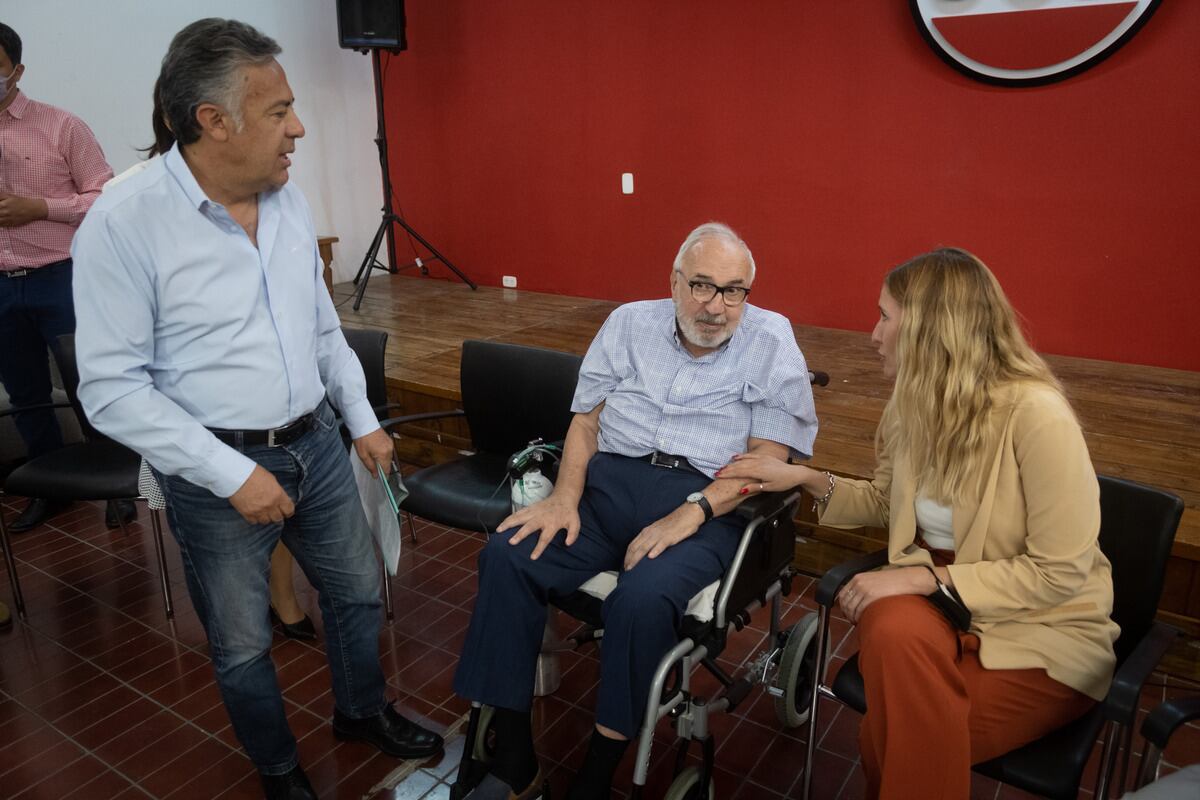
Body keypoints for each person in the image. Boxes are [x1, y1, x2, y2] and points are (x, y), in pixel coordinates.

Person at [71, 18, 442, 800]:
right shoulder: (123, 221)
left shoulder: (285, 197)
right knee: (242, 644)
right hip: (216, 471)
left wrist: (363, 417)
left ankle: (361, 711)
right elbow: (109, 387)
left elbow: (319, 325)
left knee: (356, 595)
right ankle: (277, 767)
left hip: (316, 440)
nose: (298, 128)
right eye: (279, 111)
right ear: (213, 121)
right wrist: (231, 473)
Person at [718, 247, 1118, 799]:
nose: (872, 334)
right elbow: (888, 503)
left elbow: (1060, 572)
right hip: (942, 605)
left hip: (1039, 627)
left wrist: (923, 578)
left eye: (884, 316)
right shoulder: (911, 405)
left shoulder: (1037, 415)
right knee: (891, 624)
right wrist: (803, 478)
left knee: (890, 738)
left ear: (933, 328)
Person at [453, 222, 818, 799]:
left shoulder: (773, 340)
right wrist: (564, 496)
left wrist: (692, 511)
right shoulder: (628, 323)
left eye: (733, 291)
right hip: (608, 490)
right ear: (674, 282)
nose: (716, 306)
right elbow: (586, 422)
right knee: (508, 554)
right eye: (701, 286)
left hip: (710, 501)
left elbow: (767, 459)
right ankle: (515, 756)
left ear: (748, 292)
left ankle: (598, 775)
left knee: (641, 601)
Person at [0, 22, 121, 533]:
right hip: (2, 286)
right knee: (26, 396)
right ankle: (52, 489)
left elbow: (106, 196)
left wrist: (39, 207)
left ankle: (121, 483)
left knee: (91, 386)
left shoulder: (61, 126)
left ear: (16, 71)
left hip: (62, 276)